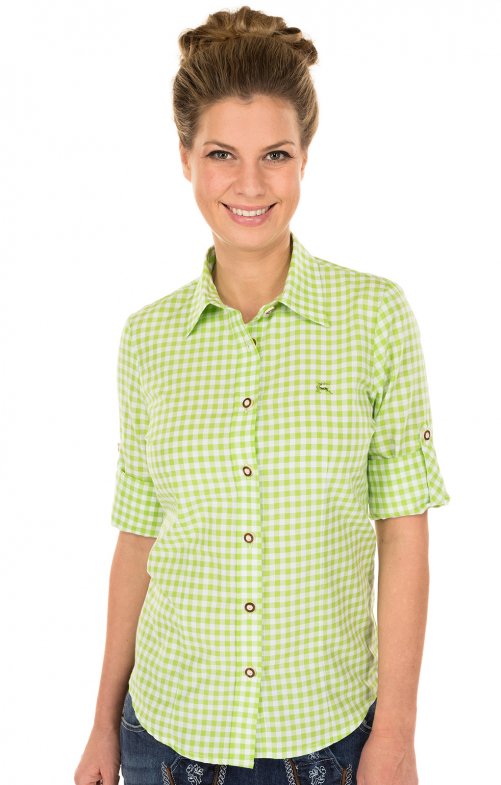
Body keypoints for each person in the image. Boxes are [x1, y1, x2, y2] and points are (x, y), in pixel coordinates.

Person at [74, 6, 450, 785]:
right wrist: (101, 725)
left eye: (274, 155)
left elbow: (403, 533)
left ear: (305, 157)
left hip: (326, 741)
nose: (249, 184)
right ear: (185, 158)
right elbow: (139, 537)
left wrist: (396, 734)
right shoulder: (147, 338)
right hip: (164, 736)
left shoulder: (374, 316)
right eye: (221, 154)